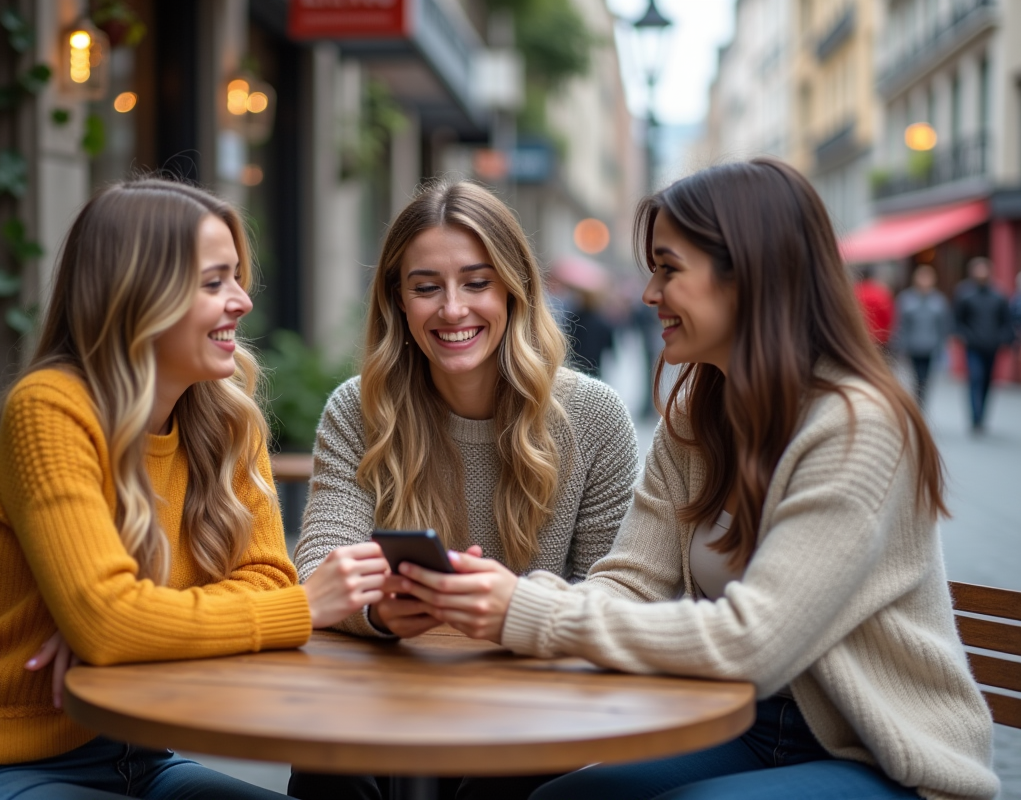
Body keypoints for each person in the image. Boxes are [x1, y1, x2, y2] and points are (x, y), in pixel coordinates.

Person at [391, 160, 999, 800]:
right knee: (560, 799)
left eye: (669, 269)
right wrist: (509, 595)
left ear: (749, 275)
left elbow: (753, 641)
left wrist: (525, 611)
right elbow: (633, 581)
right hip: (750, 727)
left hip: (884, 754)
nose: (650, 293)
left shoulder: (857, 426)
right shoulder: (697, 414)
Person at [0, 178, 389, 800]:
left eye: (237, 278)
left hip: (140, 757)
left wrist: (131, 620)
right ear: (139, 295)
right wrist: (114, 623)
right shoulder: (51, 409)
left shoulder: (226, 419)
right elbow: (116, 623)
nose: (242, 301)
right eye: (214, 282)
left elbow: (264, 578)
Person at [288, 179, 640, 800]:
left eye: (477, 283)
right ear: (398, 300)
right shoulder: (358, 410)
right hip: (385, 693)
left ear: (515, 289)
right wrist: (377, 612)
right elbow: (318, 565)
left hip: (531, 704)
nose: (453, 310)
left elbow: (614, 596)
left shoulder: (594, 417)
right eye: (426, 287)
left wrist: (509, 609)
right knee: (330, 770)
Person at [953, 257, 1015, 432]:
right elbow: (958, 319)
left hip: (992, 345)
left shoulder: (999, 295)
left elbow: (1006, 321)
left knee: (987, 381)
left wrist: (1004, 339)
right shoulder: (965, 294)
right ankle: (975, 417)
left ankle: (982, 415)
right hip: (973, 345)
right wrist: (963, 336)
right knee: (976, 378)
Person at [892, 264, 950, 406]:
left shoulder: (939, 300)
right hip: (913, 345)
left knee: (926, 377)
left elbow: (943, 326)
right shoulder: (906, 299)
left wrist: (942, 346)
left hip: (931, 345)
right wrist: (899, 344)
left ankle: (921, 400)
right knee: (916, 376)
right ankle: (918, 399)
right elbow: (901, 324)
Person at [852, 263, 895, 348]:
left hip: (859, 337)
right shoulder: (880, 291)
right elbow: (889, 315)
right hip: (880, 337)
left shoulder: (853, 292)